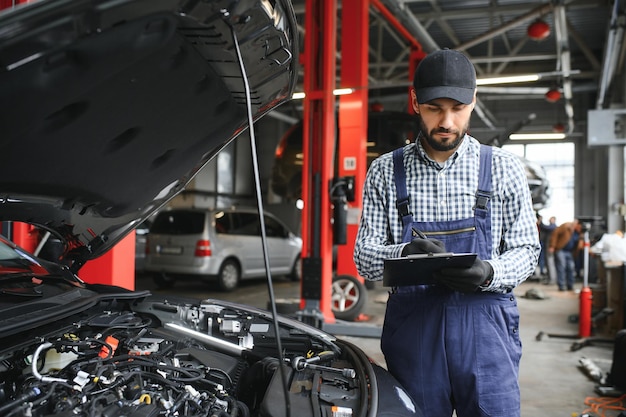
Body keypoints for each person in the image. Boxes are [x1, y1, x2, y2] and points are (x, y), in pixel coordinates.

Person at [353, 48, 540, 417]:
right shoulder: (385, 172)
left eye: (457, 108)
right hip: (415, 333)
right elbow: (364, 255)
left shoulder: (503, 168)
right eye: (434, 108)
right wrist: (403, 254)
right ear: (414, 102)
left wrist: (490, 272)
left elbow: (527, 249)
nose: (447, 122)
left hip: (486, 331)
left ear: (473, 102)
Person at [548, 219, 583, 291]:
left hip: (570, 252)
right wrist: (552, 246)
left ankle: (570, 285)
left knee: (571, 268)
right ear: (577, 224)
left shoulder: (579, 233)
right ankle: (561, 286)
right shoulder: (566, 226)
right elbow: (555, 233)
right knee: (561, 267)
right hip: (561, 250)